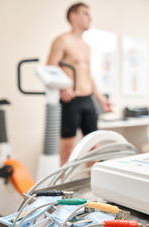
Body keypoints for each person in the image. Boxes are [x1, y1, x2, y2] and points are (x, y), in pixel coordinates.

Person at [47, 2, 111, 166]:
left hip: (88, 100)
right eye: (85, 13)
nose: (90, 18)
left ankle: (93, 189)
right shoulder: (62, 41)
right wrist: (63, 86)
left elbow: (88, 75)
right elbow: (50, 68)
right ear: (73, 16)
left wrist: (101, 98)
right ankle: (61, 189)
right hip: (71, 101)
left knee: (94, 148)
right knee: (67, 150)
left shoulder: (86, 46)